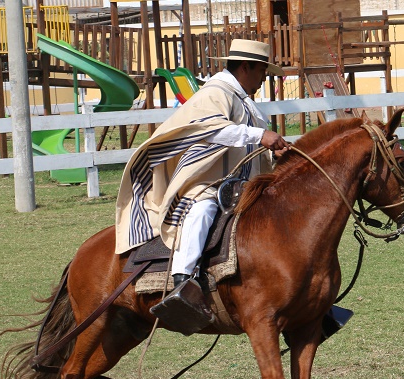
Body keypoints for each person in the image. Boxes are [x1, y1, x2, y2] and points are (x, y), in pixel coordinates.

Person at [113, 39, 291, 332]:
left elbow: (251, 142)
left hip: (243, 188)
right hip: (209, 183)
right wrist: (260, 136)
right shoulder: (215, 93)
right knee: (203, 210)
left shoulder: (245, 101)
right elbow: (212, 129)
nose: (263, 79)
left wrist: (275, 149)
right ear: (247, 67)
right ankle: (182, 282)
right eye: (262, 72)